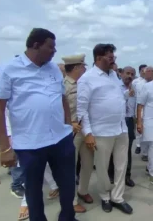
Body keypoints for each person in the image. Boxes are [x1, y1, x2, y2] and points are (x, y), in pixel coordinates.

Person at [0, 28, 77, 221]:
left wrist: (68, 123)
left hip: (60, 139)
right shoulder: (8, 70)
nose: (54, 51)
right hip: (29, 143)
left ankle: (67, 217)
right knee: (33, 190)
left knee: (67, 185)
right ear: (36, 45)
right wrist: (5, 147)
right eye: (51, 47)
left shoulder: (54, 68)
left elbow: (62, 96)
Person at [77, 43, 132, 215]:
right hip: (101, 131)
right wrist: (88, 133)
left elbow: (114, 97)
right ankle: (105, 197)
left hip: (121, 129)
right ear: (98, 58)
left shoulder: (114, 75)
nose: (113, 59)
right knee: (101, 167)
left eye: (113, 56)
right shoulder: (87, 78)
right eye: (110, 56)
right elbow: (82, 109)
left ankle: (118, 197)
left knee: (121, 166)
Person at [63, 54, 94, 213]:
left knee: (88, 164)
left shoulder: (85, 83)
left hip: (86, 130)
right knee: (70, 168)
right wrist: (69, 123)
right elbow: (58, 109)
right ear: (75, 68)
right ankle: (72, 200)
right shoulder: (64, 85)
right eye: (83, 66)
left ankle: (83, 191)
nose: (85, 69)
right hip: (71, 133)